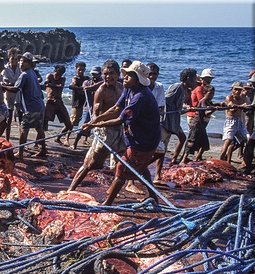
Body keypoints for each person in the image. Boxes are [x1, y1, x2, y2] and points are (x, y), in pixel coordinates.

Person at [82, 60, 161, 206]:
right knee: (141, 168)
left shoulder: (140, 97)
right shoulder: (129, 89)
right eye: (125, 74)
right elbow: (116, 109)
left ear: (138, 80)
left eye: (130, 75)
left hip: (145, 139)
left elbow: (119, 120)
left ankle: (107, 203)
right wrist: (94, 121)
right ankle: (153, 197)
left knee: (121, 168)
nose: (125, 77)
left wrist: (97, 124)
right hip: (136, 136)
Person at [68, 59, 125, 191]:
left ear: (117, 75)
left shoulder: (121, 88)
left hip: (118, 129)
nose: (108, 77)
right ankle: (70, 189)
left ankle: (112, 192)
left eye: (111, 73)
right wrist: (93, 124)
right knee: (91, 164)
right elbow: (95, 113)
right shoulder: (102, 91)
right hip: (104, 131)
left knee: (121, 164)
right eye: (105, 74)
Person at [127, 62, 166, 192]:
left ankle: (153, 178)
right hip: (136, 126)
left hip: (151, 126)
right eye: (150, 74)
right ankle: (131, 181)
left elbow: (160, 106)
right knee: (133, 157)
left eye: (154, 74)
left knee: (160, 151)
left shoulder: (159, 87)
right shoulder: (136, 89)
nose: (152, 77)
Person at [2, 52, 47, 159]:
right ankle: (44, 149)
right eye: (21, 61)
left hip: (31, 107)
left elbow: (15, 89)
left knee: (24, 128)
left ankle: (20, 153)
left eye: (25, 62)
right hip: (40, 104)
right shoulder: (32, 73)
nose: (22, 63)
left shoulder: (25, 74)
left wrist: (2, 87)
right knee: (39, 127)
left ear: (30, 64)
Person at [156, 68, 197, 179]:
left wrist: (184, 108)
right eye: (194, 79)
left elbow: (176, 107)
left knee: (162, 151)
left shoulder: (184, 90)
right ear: (188, 79)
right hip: (165, 123)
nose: (195, 82)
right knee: (158, 150)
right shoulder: (177, 87)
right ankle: (142, 171)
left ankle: (157, 175)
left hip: (172, 123)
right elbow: (164, 101)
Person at [180, 85, 222, 163]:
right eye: (209, 94)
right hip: (196, 125)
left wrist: (219, 104)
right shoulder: (203, 101)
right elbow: (206, 112)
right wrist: (214, 109)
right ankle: (183, 159)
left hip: (202, 127)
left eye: (213, 94)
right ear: (204, 93)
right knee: (191, 142)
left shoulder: (209, 101)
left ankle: (197, 157)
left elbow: (213, 104)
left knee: (204, 144)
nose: (211, 95)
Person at [70, 65, 104, 150]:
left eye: (96, 74)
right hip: (87, 108)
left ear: (100, 74)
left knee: (98, 128)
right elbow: (82, 90)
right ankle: (74, 144)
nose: (94, 76)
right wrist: (84, 88)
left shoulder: (103, 83)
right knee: (82, 125)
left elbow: (98, 85)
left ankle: (96, 146)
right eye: (92, 74)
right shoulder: (86, 82)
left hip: (99, 109)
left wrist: (89, 88)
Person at [42, 65, 72, 145]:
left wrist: (51, 85)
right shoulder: (49, 76)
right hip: (50, 101)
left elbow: (59, 87)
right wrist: (48, 84)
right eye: (57, 74)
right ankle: (40, 142)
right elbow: (46, 84)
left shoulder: (63, 79)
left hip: (59, 101)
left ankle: (58, 138)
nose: (58, 76)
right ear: (54, 71)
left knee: (68, 124)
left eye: (60, 75)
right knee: (44, 122)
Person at [220, 81, 250, 163]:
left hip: (239, 121)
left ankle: (242, 160)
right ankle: (221, 159)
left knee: (247, 138)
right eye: (235, 89)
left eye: (239, 90)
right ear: (232, 89)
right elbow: (232, 109)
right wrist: (241, 106)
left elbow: (246, 107)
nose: (237, 91)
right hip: (230, 120)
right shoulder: (229, 97)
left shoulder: (242, 98)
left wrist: (244, 106)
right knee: (228, 140)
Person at [0, 47, 21, 140]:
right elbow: (5, 82)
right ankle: (7, 140)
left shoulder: (20, 67)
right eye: (12, 58)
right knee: (8, 120)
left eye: (16, 59)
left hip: (18, 96)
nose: (14, 61)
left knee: (20, 120)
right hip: (8, 96)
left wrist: (13, 85)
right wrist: (15, 85)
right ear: (9, 57)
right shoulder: (5, 69)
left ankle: (21, 140)